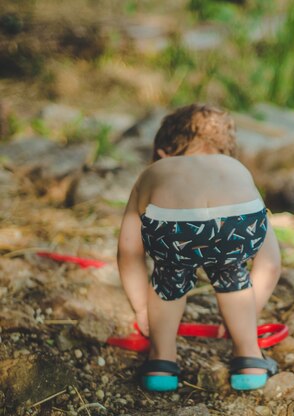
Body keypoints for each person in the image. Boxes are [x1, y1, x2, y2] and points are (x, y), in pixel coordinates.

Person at [117, 104, 282, 392]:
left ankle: (161, 363)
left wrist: (142, 309)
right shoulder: (236, 171)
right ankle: (249, 359)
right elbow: (269, 263)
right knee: (232, 273)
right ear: (226, 151)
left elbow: (129, 252)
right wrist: (247, 314)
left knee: (169, 276)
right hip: (239, 221)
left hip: (172, 226)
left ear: (163, 151)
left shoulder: (156, 170)